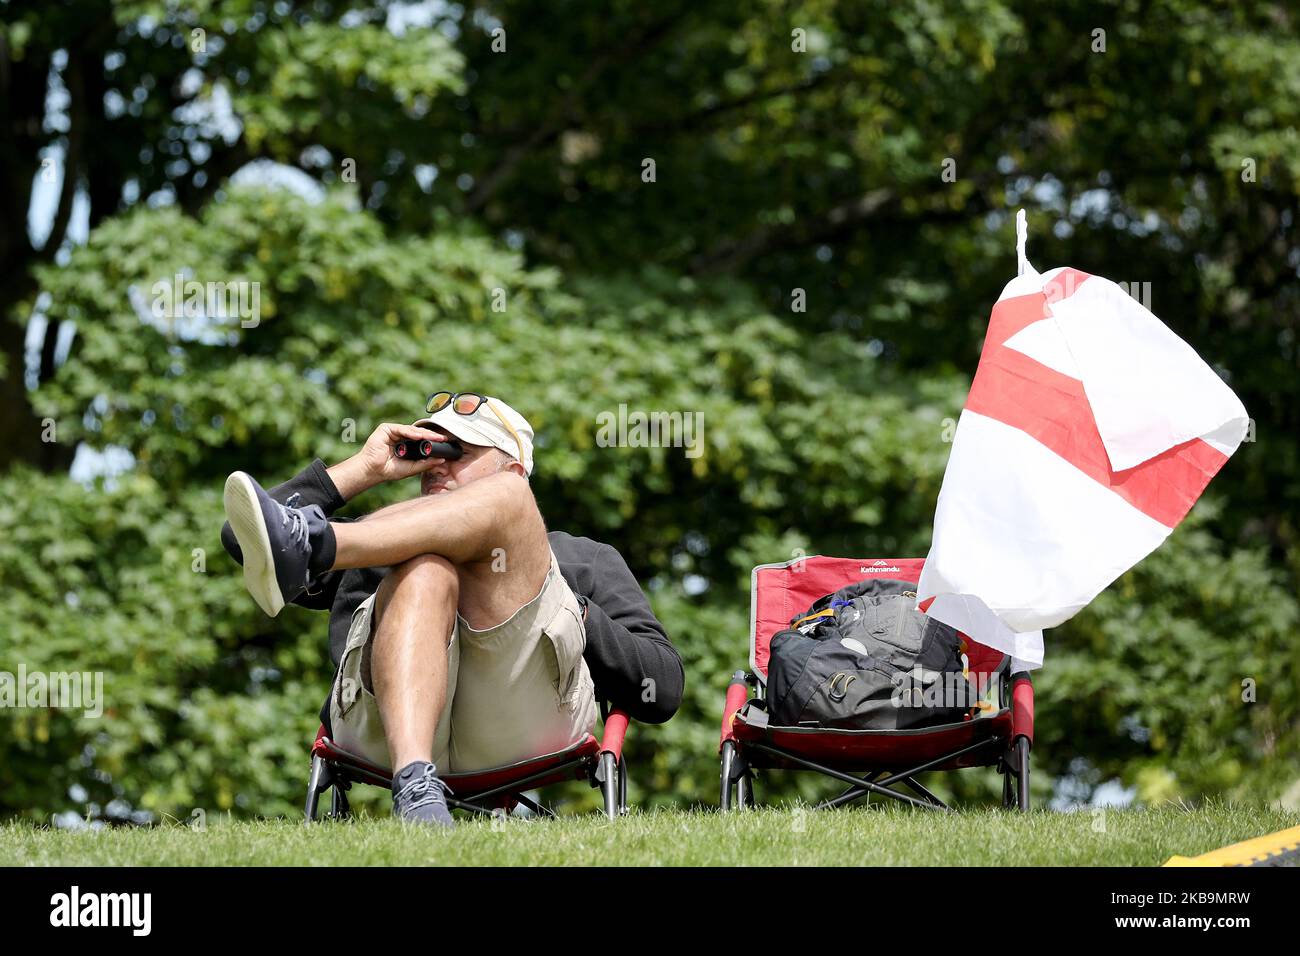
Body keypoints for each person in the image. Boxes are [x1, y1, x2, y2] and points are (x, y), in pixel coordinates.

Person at [219, 391, 683, 827]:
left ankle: (317, 543)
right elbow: (245, 538)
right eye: (429, 452)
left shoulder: (583, 556)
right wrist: (365, 469)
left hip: (521, 718)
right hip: (382, 726)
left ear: (516, 467)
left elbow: (660, 688)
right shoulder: (380, 538)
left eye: (457, 452)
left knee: (496, 512)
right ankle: (415, 786)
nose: (436, 466)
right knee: (425, 568)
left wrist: (571, 609)